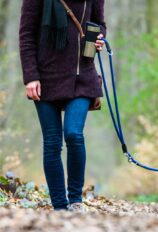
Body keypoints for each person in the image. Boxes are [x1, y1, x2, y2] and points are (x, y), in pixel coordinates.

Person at [19, 0, 106, 212]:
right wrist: (31, 77)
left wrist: (99, 39)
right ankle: (59, 206)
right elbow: (26, 35)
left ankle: (75, 200)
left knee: (74, 134)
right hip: (45, 78)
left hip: (81, 76)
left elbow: (99, 24)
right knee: (52, 142)